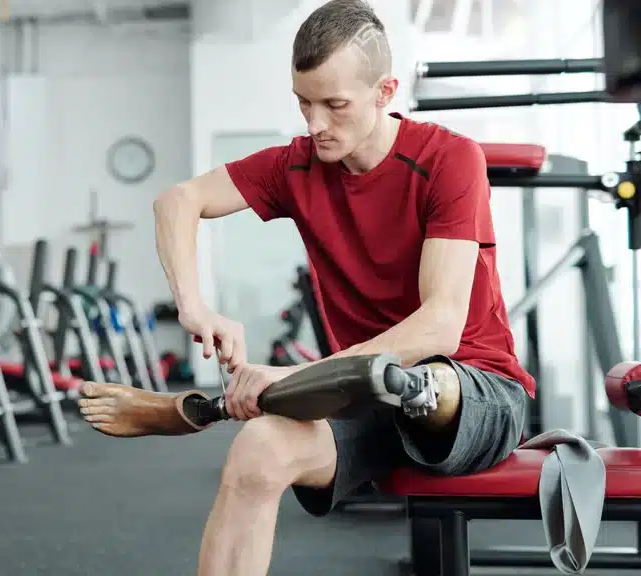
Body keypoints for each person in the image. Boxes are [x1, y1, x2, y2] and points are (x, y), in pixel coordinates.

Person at [77, 1, 534, 574]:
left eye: (335, 105)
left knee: (428, 382)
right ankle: (218, 409)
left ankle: (220, 406)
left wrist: (297, 378)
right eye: (304, 103)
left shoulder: (448, 159)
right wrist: (194, 308)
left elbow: (439, 325)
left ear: (385, 91)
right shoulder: (296, 167)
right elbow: (177, 202)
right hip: (364, 399)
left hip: (473, 387)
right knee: (258, 452)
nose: (316, 124)